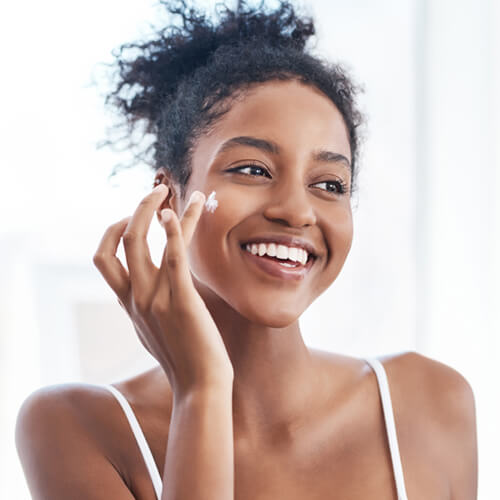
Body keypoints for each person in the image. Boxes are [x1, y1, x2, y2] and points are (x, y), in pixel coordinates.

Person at [15, 1, 478, 499]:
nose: (297, 211)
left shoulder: (432, 402)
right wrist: (202, 391)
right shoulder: (75, 427)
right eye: (253, 170)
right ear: (168, 195)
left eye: (329, 183)